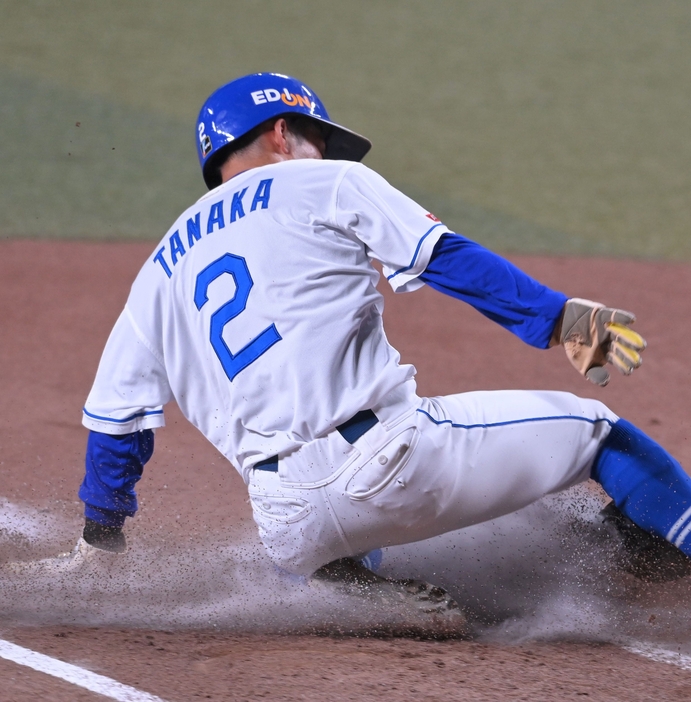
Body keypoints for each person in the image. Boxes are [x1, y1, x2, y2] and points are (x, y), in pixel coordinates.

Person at [66, 73, 691, 614]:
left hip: (286, 521)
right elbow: (443, 257)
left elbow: (117, 424)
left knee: (322, 524)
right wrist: (561, 321)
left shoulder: (158, 271)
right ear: (283, 134)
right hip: (393, 465)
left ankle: (341, 582)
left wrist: (103, 537)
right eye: (319, 138)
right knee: (601, 432)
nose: (328, 152)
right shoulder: (326, 182)